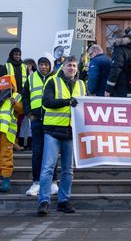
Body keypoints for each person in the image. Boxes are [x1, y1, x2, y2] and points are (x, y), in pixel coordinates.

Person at [37, 56, 86, 215]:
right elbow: (47, 102)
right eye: (69, 65)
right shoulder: (52, 81)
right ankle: (44, 201)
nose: (71, 68)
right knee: (47, 168)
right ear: (62, 67)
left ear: (77, 69)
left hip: (71, 132)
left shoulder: (81, 84)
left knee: (68, 170)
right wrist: (67, 101)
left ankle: (63, 201)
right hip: (52, 130)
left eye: (74, 66)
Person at [24, 54, 59, 197]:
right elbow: (25, 96)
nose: (43, 67)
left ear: (51, 64)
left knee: (52, 152)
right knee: (37, 152)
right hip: (37, 120)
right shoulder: (31, 78)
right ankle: (36, 182)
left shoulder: (57, 78)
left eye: (46, 64)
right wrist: (29, 114)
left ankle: (53, 182)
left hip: (53, 120)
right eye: (41, 64)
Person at [0, 74, 24, 193]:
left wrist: (15, 103)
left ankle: (6, 178)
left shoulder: (16, 96)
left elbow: (21, 110)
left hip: (8, 131)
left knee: (6, 154)